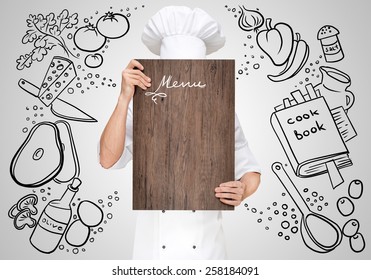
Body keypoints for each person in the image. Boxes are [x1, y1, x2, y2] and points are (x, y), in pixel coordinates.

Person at [98, 6, 261, 259]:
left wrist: (242, 189)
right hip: (152, 258)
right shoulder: (140, 109)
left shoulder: (221, 110)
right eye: (174, 74)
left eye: (191, 74)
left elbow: (250, 171)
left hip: (209, 253)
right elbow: (107, 159)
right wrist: (123, 98)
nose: (183, 83)